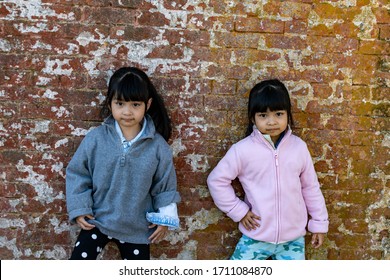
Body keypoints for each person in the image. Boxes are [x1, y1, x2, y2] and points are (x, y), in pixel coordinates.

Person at [66, 67, 180, 260]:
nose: (127, 112)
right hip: (98, 221)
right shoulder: (96, 139)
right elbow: (78, 173)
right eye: (120, 103)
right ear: (110, 103)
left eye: (135, 104)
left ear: (148, 104)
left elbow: (165, 186)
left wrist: (165, 219)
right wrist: (80, 208)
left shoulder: (158, 147)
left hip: (136, 228)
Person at [207, 79, 328, 260]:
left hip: (292, 240)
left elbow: (310, 187)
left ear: (288, 114)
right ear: (252, 118)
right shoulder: (242, 150)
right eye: (263, 115)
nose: (272, 122)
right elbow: (216, 180)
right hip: (256, 236)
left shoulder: (299, 148)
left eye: (278, 114)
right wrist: (238, 211)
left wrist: (319, 224)